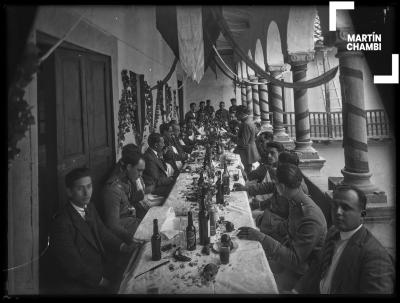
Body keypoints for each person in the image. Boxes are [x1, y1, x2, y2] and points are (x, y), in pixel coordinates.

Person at [237, 163, 327, 291]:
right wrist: (264, 228)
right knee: (248, 261)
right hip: (288, 256)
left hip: (301, 274)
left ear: (282, 187)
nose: (275, 187)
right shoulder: (296, 200)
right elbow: (288, 226)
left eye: (276, 184)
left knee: (251, 282)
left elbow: (295, 259)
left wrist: (262, 238)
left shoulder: (311, 218)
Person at [293, 185, 394, 294]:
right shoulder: (334, 232)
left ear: (362, 214)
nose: (338, 212)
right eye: (334, 206)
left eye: (345, 208)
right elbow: (317, 268)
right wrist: (296, 290)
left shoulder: (375, 256)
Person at [49, 167, 136, 294]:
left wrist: (123, 246)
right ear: (69, 192)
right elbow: (74, 266)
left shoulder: (90, 207)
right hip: (82, 284)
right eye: (80, 188)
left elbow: (103, 233)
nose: (86, 193)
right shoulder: (61, 223)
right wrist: (104, 282)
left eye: (89, 186)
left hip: (101, 266)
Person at [102, 145, 149, 244]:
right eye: (139, 170)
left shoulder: (128, 179)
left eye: (142, 171)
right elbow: (113, 225)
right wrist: (130, 239)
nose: (141, 174)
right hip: (125, 232)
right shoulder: (113, 189)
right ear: (128, 167)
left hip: (133, 221)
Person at [142, 132, 176, 197]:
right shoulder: (149, 158)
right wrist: (170, 179)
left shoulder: (155, 154)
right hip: (154, 189)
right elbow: (156, 180)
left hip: (161, 184)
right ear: (156, 145)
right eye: (162, 143)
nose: (164, 145)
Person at [233, 105, 260, 175]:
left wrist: (232, 137)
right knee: (247, 169)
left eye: (237, 113)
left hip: (247, 151)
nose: (235, 116)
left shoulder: (246, 124)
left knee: (247, 170)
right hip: (249, 150)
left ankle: (247, 183)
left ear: (242, 114)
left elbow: (243, 142)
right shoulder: (247, 121)